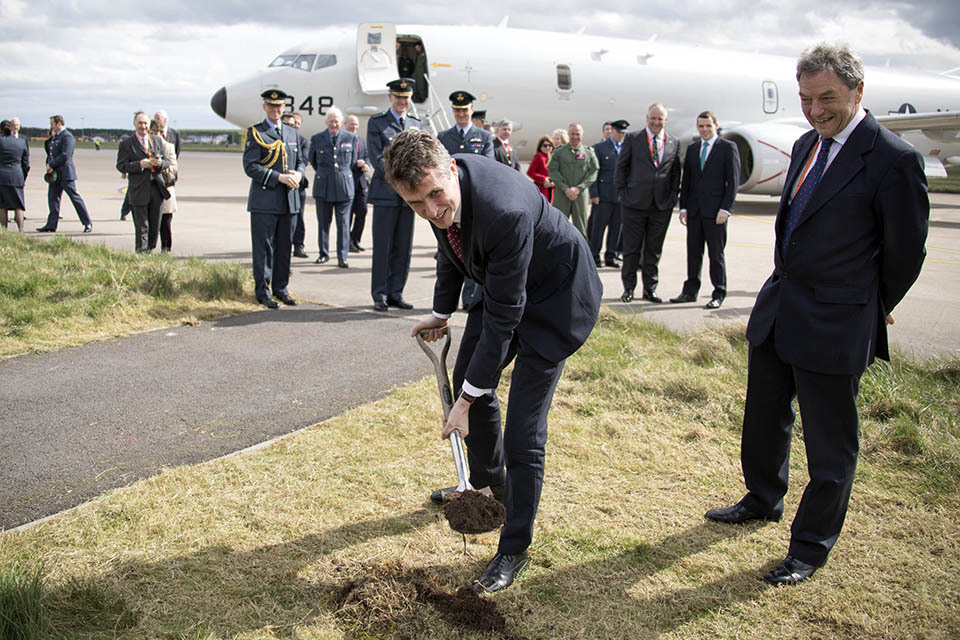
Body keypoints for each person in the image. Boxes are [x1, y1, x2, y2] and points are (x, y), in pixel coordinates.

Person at [705, 44, 929, 586]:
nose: (815, 110)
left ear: (858, 90)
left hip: (836, 322)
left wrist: (871, 306)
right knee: (763, 417)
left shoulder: (893, 159)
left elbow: (906, 252)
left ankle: (809, 547)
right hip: (781, 310)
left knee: (830, 444)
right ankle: (763, 498)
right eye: (806, 99)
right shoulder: (807, 144)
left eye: (827, 98)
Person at [385, 129, 602, 594]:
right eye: (416, 204)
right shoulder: (437, 194)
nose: (430, 211)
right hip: (505, 284)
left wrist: (463, 403)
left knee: (524, 429)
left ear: (450, 170)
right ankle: (488, 484)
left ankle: (514, 546)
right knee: (469, 376)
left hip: (556, 299)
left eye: (434, 196)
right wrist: (442, 312)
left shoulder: (504, 210)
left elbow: (505, 319)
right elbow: (451, 248)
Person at [242, 89, 306, 308]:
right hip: (265, 201)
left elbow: (300, 160)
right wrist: (278, 177)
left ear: (284, 107)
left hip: (289, 200)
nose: (275, 109)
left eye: (279, 106)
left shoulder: (291, 132)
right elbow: (250, 166)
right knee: (264, 248)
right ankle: (263, 291)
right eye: (271, 106)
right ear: (264, 107)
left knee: (284, 248)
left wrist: (299, 174)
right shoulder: (256, 132)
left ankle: (281, 288)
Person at [670, 111, 740, 308]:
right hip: (694, 212)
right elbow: (687, 181)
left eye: (708, 126)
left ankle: (718, 292)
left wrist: (726, 209)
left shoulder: (727, 148)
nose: (704, 130)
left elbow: (733, 181)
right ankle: (690, 291)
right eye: (701, 126)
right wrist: (683, 207)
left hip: (716, 213)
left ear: (715, 126)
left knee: (716, 255)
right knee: (693, 254)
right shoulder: (693, 149)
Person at [615, 103, 681, 303]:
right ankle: (628, 289)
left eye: (660, 119)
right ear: (647, 119)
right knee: (631, 249)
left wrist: (672, 198)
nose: (656, 122)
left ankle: (650, 289)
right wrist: (623, 194)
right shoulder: (634, 139)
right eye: (653, 118)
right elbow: (621, 168)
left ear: (665, 121)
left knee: (654, 250)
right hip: (634, 204)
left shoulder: (673, 142)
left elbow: (675, 173)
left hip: (661, 206)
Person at [367, 78, 422, 311]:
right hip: (386, 193)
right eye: (398, 97)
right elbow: (377, 158)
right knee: (383, 246)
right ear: (390, 97)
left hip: (408, 197)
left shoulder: (415, 123)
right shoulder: (377, 123)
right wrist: (400, 180)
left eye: (405, 98)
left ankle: (396, 292)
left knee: (403, 247)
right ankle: (379, 294)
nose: (402, 101)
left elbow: (419, 156)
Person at [308, 107, 356, 268]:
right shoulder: (317, 139)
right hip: (323, 186)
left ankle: (342, 256)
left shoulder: (350, 138)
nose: (334, 124)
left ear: (341, 122)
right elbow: (313, 160)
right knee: (323, 223)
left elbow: (352, 161)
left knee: (343, 224)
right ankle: (323, 253)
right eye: (331, 121)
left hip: (344, 188)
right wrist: (325, 173)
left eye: (336, 121)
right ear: (326, 122)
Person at [116, 111, 169, 252]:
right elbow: (121, 166)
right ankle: (141, 252)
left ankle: (150, 250)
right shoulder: (126, 144)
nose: (143, 126)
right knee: (141, 225)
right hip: (138, 189)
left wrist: (160, 163)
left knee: (155, 224)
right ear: (134, 124)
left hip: (156, 188)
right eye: (140, 123)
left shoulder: (157, 141)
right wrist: (139, 164)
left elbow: (167, 161)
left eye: (145, 123)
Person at [37, 115, 93, 233]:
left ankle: (87, 223)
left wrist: (51, 164)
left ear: (58, 123)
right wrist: (49, 165)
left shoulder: (67, 136)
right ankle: (51, 225)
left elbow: (65, 155)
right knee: (53, 199)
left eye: (52, 124)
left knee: (74, 198)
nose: (51, 126)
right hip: (55, 175)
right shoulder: (55, 137)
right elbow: (51, 154)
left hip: (66, 173)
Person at [589, 119, 628, 268]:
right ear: (612, 131)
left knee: (616, 228)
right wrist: (594, 194)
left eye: (623, 133)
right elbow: (594, 172)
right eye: (619, 132)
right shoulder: (600, 148)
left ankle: (611, 256)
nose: (621, 135)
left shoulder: (627, 148)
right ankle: (594, 255)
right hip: (603, 196)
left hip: (620, 196)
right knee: (598, 228)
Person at [547, 122, 598, 239]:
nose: (575, 137)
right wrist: (565, 188)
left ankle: (581, 250)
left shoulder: (588, 153)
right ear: (568, 134)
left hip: (580, 195)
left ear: (582, 135)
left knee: (581, 227)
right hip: (562, 194)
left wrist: (579, 188)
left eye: (577, 134)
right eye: (572, 134)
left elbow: (594, 171)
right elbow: (552, 170)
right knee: (558, 226)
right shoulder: (559, 152)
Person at [282, 111, 310, 258]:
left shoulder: (302, 141)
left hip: (297, 184)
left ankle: (298, 245)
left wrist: (296, 174)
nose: (293, 127)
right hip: (281, 183)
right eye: (288, 124)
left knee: (298, 217)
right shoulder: (277, 139)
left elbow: (304, 160)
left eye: (296, 124)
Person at [149, 117, 179, 252]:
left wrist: (161, 166)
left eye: (155, 133)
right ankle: (148, 249)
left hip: (164, 188)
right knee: (150, 222)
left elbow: (174, 167)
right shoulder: (147, 147)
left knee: (165, 223)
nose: (153, 136)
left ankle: (166, 250)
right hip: (150, 188)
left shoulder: (168, 146)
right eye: (151, 133)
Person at [436, 91, 494, 158]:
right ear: (453, 110)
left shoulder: (485, 137)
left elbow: (488, 162)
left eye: (465, 110)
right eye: (457, 110)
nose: (461, 114)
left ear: (472, 109)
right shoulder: (443, 137)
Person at [344, 114, 369, 253]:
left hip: (361, 183)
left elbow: (366, 156)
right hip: (348, 183)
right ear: (345, 124)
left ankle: (356, 240)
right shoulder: (342, 139)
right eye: (351, 124)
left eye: (356, 124)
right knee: (348, 215)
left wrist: (366, 164)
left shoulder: (360, 140)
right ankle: (346, 242)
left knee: (362, 212)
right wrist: (355, 163)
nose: (354, 127)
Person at [0, 119, 29, 231]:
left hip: (2, 176)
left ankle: (4, 231)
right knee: (18, 205)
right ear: (12, 130)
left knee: (2, 206)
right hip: (17, 176)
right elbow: (25, 164)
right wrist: (22, 176)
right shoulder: (21, 142)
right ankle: (21, 230)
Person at [526, 136, 555, 202]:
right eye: (545, 145)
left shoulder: (553, 158)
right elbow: (530, 172)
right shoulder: (539, 156)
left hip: (552, 189)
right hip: (541, 189)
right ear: (540, 147)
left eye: (550, 145)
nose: (547, 147)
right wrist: (544, 179)